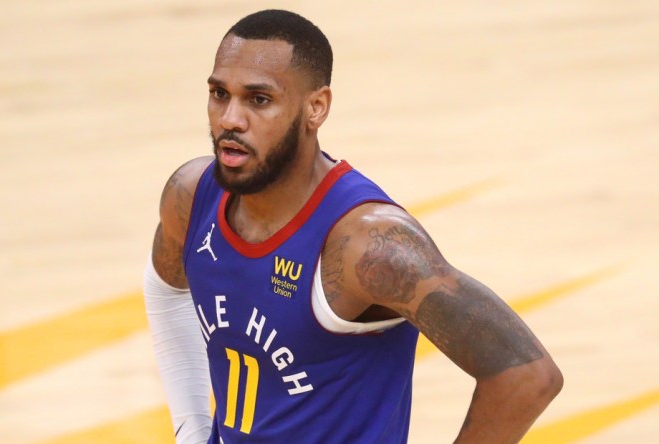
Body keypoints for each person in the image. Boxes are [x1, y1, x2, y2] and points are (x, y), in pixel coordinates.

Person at [144, 9, 563, 444]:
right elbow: (165, 290)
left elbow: (526, 376)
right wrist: (190, 429)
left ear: (316, 108)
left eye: (258, 99)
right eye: (219, 94)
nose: (230, 118)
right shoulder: (191, 196)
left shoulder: (369, 245)